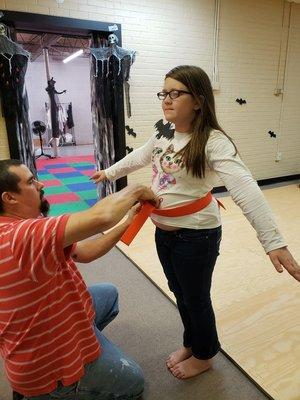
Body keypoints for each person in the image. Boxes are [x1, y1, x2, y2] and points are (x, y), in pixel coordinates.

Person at [91, 65, 300, 380]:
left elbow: (246, 190)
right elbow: (140, 156)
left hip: (196, 237)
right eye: (164, 93)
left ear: (199, 101)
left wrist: (273, 241)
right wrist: (109, 172)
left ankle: (204, 354)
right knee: (179, 292)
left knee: (196, 298)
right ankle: (192, 342)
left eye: (176, 93)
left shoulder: (214, 142)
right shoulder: (164, 129)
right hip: (163, 233)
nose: (167, 100)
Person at [0, 158, 159, 399]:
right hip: (47, 370)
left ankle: (85, 339)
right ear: (9, 198)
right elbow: (102, 216)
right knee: (134, 383)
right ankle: (64, 387)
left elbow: (85, 253)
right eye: (32, 182)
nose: (41, 184)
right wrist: (137, 189)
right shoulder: (20, 236)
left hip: (51, 320)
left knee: (108, 293)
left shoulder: (30, 224)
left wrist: (127, 222)